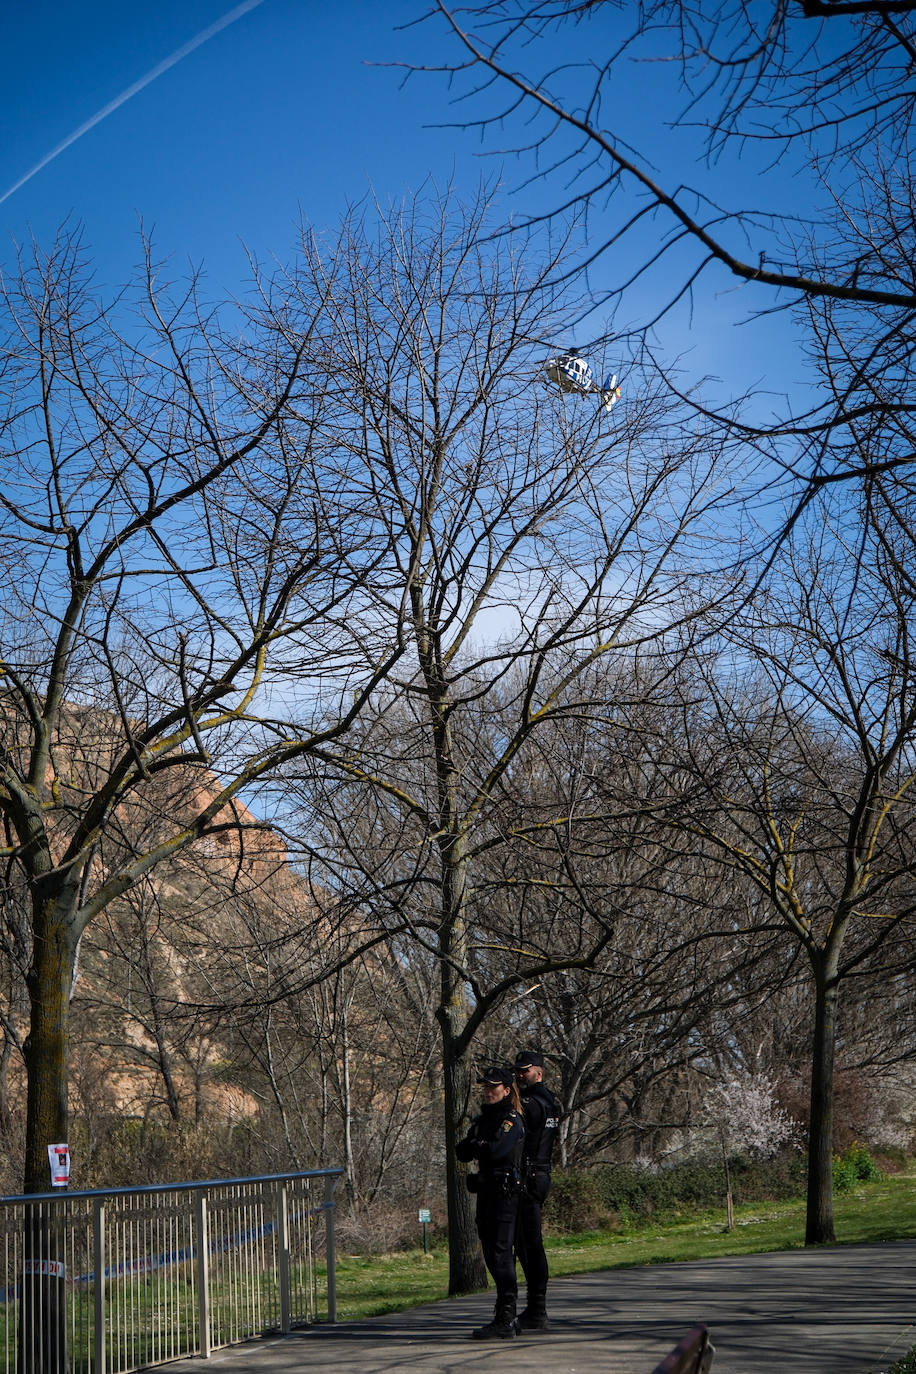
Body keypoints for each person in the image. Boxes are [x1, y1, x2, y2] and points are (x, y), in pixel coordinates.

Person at [456, 1064, 525, 1339]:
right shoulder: (484, 1120)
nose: (487, 1092)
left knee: (500, 1254)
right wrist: (479, 1144)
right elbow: (462, 1150)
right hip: (486, 1192)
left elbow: (496, 1150)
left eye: (492, 1087)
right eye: (485, 1087)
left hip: (504, 1194)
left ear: (506, 1090)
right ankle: (504, 1315)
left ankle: (506, 1317)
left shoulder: (510, 1120)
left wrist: (479, 1145)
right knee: (490, 1253)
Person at [514, 1049, 561, 1332]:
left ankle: (537, 1309)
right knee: (527, 1243)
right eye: (518, 1071)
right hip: (540, 1174)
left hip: (530, 1176)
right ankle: (535, 1307)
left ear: (539, 1072)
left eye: (525, 1071)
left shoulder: (530, 1103)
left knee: (529, 1244)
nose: (520, 1075)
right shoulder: (550, 1101)